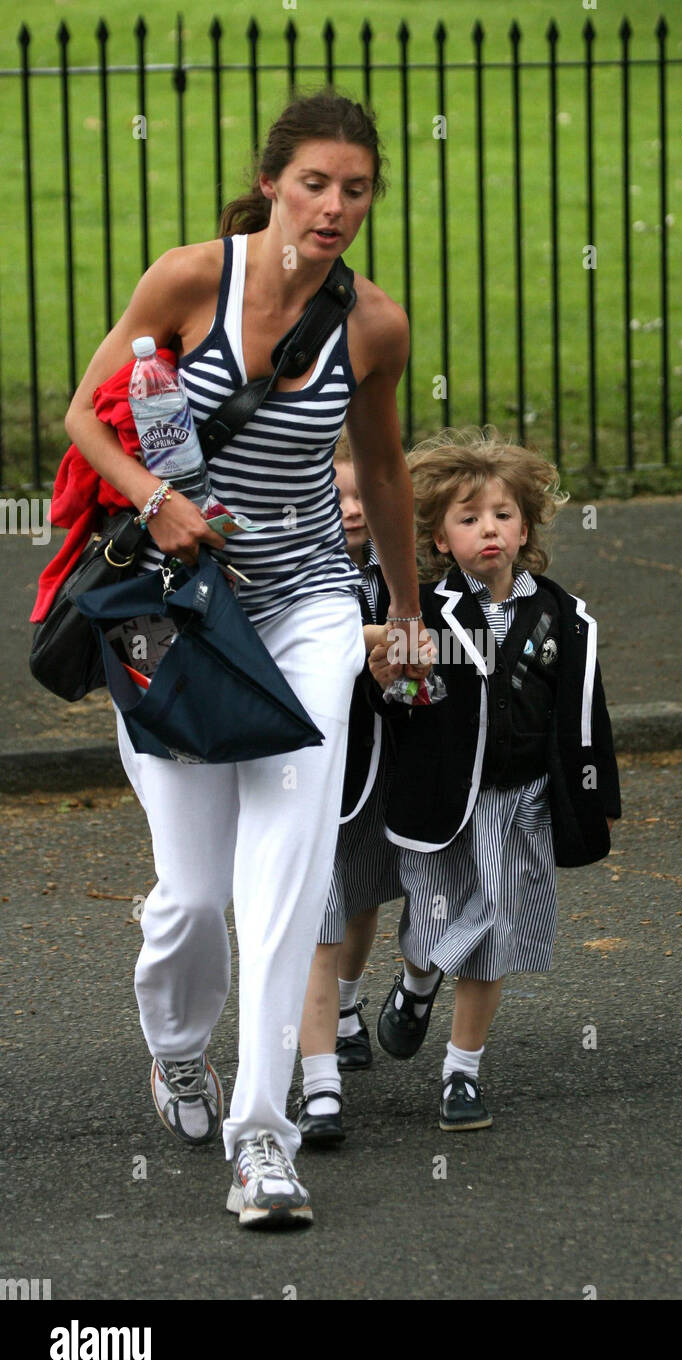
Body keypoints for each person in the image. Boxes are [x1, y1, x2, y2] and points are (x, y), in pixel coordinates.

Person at [63, 89, 430, 1228]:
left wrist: (406, 611)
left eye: (355, 189)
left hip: (307, 609)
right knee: (191, 893)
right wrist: (158, 497)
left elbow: (388, 470)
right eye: (315, 183)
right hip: (174, 611)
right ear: (272, 182)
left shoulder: (371, 326)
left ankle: (264, 1141)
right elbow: (86, 416)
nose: (334, 206)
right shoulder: (186, 280)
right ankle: (176, 1046)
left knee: (283, 882)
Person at [368, 428, 621, 1130]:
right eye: (469, 517)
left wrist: (598, 797)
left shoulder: (563, 618)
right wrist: (389, 679)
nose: (489, 530)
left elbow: (584, 714)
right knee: (434, 924)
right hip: (441, 802)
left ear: (526, 527)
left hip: (522, 800)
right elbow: (387, 704)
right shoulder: (418, 611)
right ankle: (417, 980)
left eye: (503, 515)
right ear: (440, 539)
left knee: (495, 933)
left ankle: (461, 1075)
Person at [295, 436, 408, 1145]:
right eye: (333, 498)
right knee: (316, 919)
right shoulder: (300, 578)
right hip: (306, 768)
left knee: (363, 895)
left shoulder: (403, 577)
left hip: (377, 761)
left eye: (362, 495)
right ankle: (320, 1086)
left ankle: (344, 1006)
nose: (351, 510)